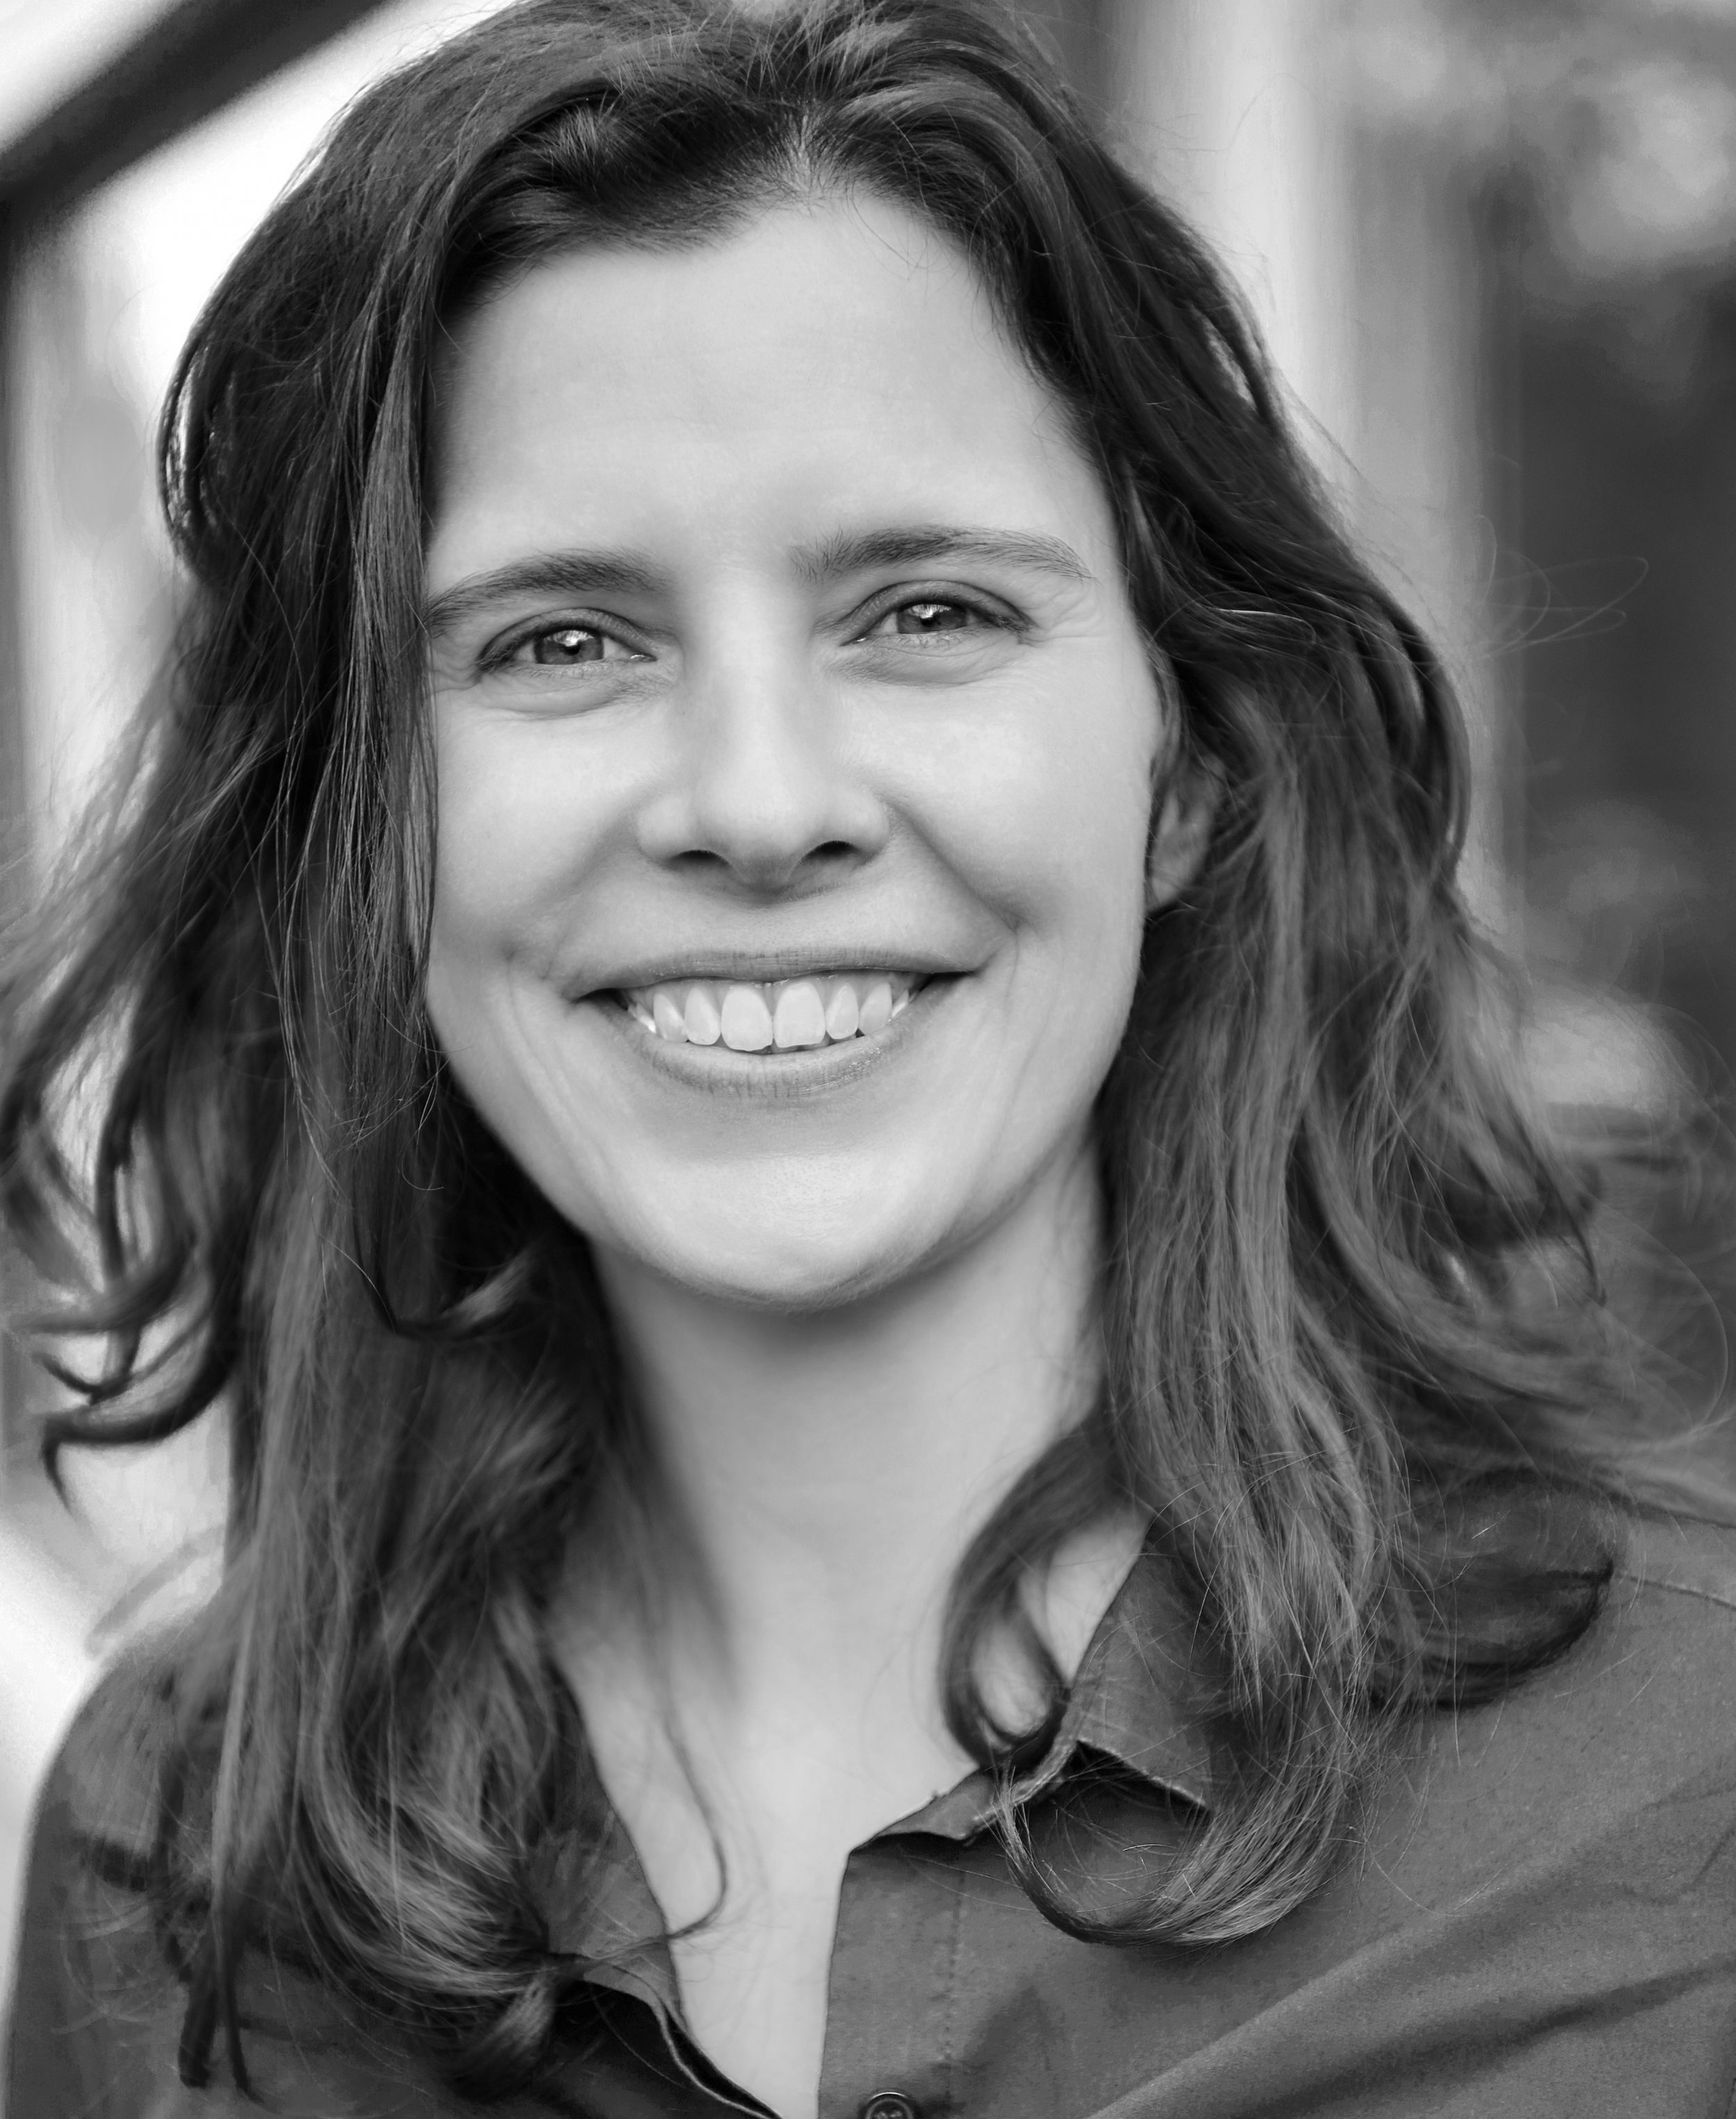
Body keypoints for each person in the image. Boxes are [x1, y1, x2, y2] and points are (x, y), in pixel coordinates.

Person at [3, 0, 1734, 2112]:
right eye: (561, 640)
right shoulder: (167, 1850)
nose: (758, 800)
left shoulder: (1691, 1784)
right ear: (356, 827)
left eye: (923, 611)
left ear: (1184, 759)